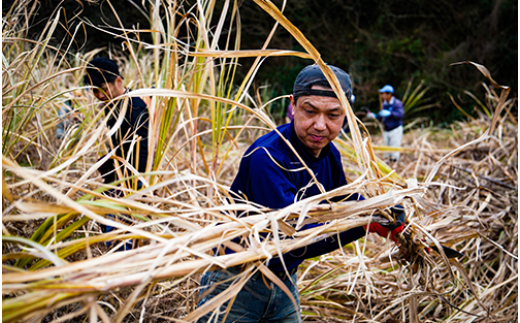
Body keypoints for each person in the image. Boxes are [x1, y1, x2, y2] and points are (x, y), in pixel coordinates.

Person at [196, 64, 406, 322]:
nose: (320, 125)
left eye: (333, 115)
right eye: (310, 111)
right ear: (293, 105)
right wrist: (365, 223)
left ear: (346, 116)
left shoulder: (330, 156)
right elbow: (292, 240)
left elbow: (343, 201)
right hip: (236, 283)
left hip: (284, 282)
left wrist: (383, 214)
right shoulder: (268, 158)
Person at [84, 57, 150, 251]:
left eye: (102, 88)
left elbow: (142, 148)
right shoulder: (113, 103)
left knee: (120, 231)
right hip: (119, 176)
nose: (99, 95)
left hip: (131, 180)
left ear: (118, 81)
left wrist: (131, 185)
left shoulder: (135, 107)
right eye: (94, 91)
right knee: (112, 229)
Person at [367, 85, 404, 162]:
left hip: (395, 129)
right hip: (386, 129)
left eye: (383, 94)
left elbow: (400, 115)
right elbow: (381, 116)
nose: (382, 96)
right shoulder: (384, 104)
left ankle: (394, 165)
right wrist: (374, 116)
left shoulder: (397, 103)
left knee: (394, 149)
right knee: (386, 151)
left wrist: (390, 113)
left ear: (389, 94)